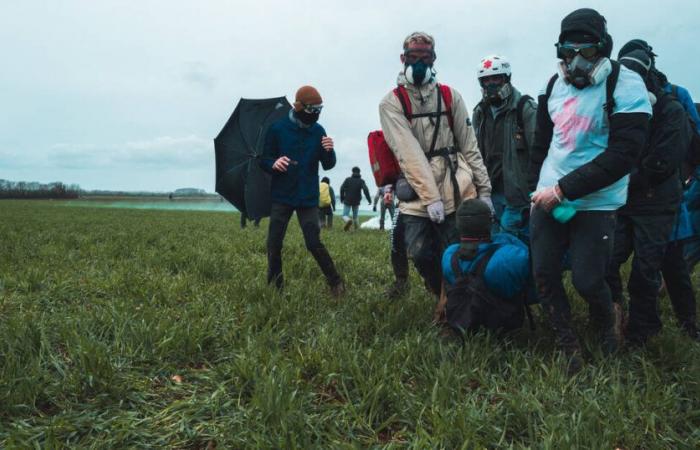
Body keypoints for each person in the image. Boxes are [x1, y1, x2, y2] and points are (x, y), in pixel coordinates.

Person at [528, 8, 652, 370]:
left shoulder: (627, 87)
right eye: (569, 52)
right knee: (545, 275)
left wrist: (564, 190)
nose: (577, 61)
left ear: (604, 49)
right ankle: (568, 343)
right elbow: (541, 145)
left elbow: (623, 155)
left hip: (597, 201)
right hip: (549, 196)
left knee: (587, 279)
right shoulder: (550, 87)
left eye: (588, 52)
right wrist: (537, 191)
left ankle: (606, 328)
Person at [379, 31, 491, 298]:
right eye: (413, 57)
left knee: (453, 250)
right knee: (419, 252)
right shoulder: (391, 103)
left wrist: (484, 191)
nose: (419, 63)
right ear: (402, 58)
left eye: (425, 57)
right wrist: (431, 198)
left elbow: (469, 145)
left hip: (456, 187)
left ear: (434, 59)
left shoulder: (451, 96)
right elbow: (409, 154)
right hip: (417, 194)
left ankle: (451, 303)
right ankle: (438, 291)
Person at [605, 50, 690, 345]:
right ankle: (614, 314)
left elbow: (663, 163)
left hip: (656, 203)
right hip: (625, 201)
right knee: (607, 260)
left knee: (644, 270)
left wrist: (620, 178)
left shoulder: (671, 111)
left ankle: (642, 333)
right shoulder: (618, 107)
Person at [259, 85, 344, 296]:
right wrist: (274, 163)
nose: (316, 114)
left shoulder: (319, 131)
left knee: (313, 242)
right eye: (311, 110)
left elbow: (328, 165)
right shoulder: (277, 129)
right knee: (274, 243)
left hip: (307, 196)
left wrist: (330, 151)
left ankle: (336, 282)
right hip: (282, 195)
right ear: (298, 107)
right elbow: (264, 159)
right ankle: (276, 287)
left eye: (319, 109)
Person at [441, 199, 533, 331]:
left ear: (458, 225)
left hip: (461, 321)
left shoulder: (449, 255)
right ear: (489, 223)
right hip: (504, 324)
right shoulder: (510, 256)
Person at [472, 55, 537, 241]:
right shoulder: (479, 112)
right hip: (490, 192)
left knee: (510, 240)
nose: (491, 84)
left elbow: (539, 151)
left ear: (506, 78)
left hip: (517, 194)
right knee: (492, 240)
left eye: (496, 78)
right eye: (486, 80)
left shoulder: (526, 108)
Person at [340, 167, 371, 231]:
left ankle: (348, 220)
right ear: (359, 172)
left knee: (345, 215)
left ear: (352, 172)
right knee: (355, 216)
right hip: (356, 200)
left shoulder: (347, 180)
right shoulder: (361, 181)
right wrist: (369, 200)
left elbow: (342, 188)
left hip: (347, 199)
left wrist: (342, 198)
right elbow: (365, 190)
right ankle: (356, 229)